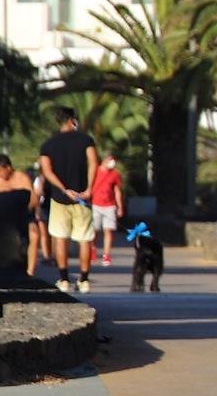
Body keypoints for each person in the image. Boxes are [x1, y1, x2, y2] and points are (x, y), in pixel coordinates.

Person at [38, 107, 99, 294]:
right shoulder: (85, 140)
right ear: (73, 120)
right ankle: (84, 279)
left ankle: (64, 279)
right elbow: (94, 163)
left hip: (59, 199)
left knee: (60, 238)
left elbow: (46, 171)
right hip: (83, 199)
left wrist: (64, 190)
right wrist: (88, 189)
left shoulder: (48, 145)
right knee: (85, 239)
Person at [90, 152, 125, 267]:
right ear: (104, 160)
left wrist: (119, 206)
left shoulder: (115, 174)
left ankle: (106, 255)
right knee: (94, 230)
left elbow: (117, 190)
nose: (112, 162)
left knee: (108, 230)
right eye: (110, 159)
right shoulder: (95, 171)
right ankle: (93, 248)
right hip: (96, 204)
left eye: (113, 159)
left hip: (110, 205)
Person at [0, 155, 32, 271]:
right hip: (4, 218)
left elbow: (32, 201)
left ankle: (30, 270)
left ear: (7, 168)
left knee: (34, 233)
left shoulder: (21, 178)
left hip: (22, 216)